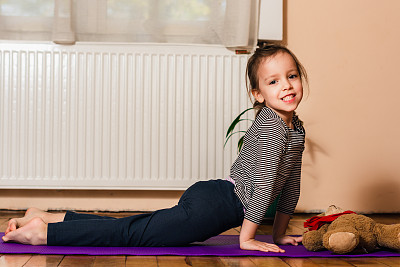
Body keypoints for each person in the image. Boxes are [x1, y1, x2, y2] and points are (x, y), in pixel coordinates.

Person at [2, 43, 308, 253]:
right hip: (212, 209)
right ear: (258, 93)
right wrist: (247, 239)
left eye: (292, 76)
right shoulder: (272, 127)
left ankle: (49, 218)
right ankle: (42, 234)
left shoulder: (295, 128)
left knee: (135, 227)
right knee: (130, 235)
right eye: (274, 81)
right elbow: (265, 186)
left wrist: (279, 234)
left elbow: (290, 186)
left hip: (215, 197)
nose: (286, 85)